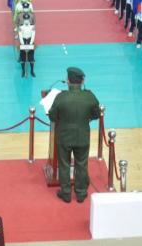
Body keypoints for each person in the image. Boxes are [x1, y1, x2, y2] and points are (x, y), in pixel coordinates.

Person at [48, 67, 100, 203]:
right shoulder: (89, 96)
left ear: (68, 80)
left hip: (64, 136)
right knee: (81, 164)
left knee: (64, 164)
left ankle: (66, 193)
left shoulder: (61, 97)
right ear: (82, 81)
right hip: (82, 135)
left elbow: (52, 116)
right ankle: (81, 193)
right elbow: (96, 114)